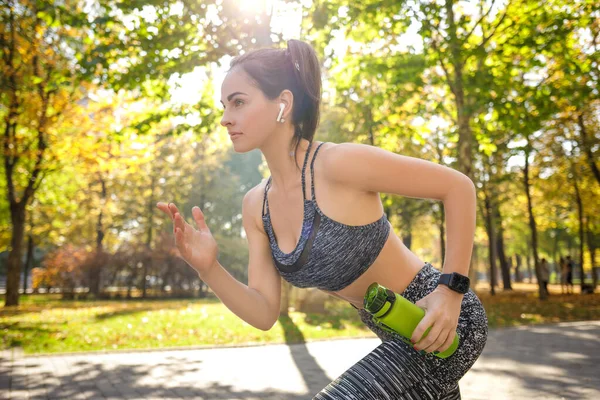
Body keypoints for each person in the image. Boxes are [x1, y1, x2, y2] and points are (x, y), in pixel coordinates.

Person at [157, 39, 487, 399]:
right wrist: (209, 269)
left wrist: (450, 293)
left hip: (445, 321)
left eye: (238, 102)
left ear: (282, 103)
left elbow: (458, 187)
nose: (225, 117)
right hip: (397, 335)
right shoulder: (256, 206)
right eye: (224, 105)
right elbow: (265, 311)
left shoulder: (337, 165)